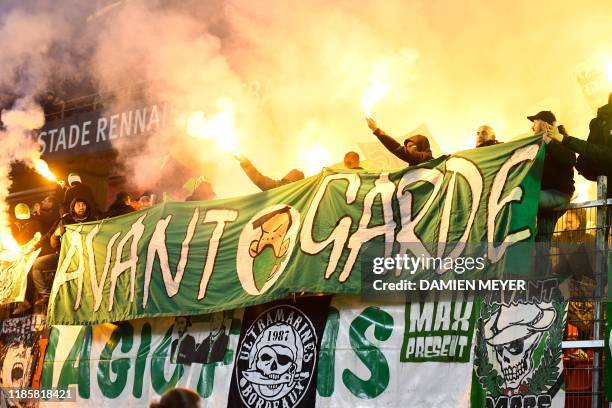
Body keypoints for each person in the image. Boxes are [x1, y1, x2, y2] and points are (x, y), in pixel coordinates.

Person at [30, 197, 97, 310]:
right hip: (62, 256)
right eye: (78, 205)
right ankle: (46, 295)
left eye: (83, 205)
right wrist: (34, 246)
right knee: (37, 264)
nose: (81, 207)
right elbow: (49, 235)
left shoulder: (93, 221)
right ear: (73, 208)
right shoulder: (64, 220)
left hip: (85, 258)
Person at [545, 92, 612, 194]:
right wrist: (563, 139)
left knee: (603, 206)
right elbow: (596, 151)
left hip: (603, 182)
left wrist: (562, 139)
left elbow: (593, 150)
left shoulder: (601, 122)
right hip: (605, 181)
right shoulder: (601, 123)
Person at [528, 111, 576, 225]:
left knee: (525, 197)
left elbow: (570, 159)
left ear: (544, 124)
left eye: (534, 123)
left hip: (559, 194)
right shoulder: (540, 145)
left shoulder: (561, 139)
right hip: (547, 194)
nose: (532, 127)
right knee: (542, 235)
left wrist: (549, 142)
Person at [365, 117, 433, 165]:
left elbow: (397, 149)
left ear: (421, 146)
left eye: (411, 146)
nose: (407, 149)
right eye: (406, 147)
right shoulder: (413, 169)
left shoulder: (426, 158)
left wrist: (376, 130)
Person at [235, 155, 304, 191]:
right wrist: (246, 163)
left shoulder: (277, 187)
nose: (289, 184)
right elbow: (260, 180)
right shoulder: (304, 195)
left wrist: (246, 164)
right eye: (289, 183)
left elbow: (259, 180)